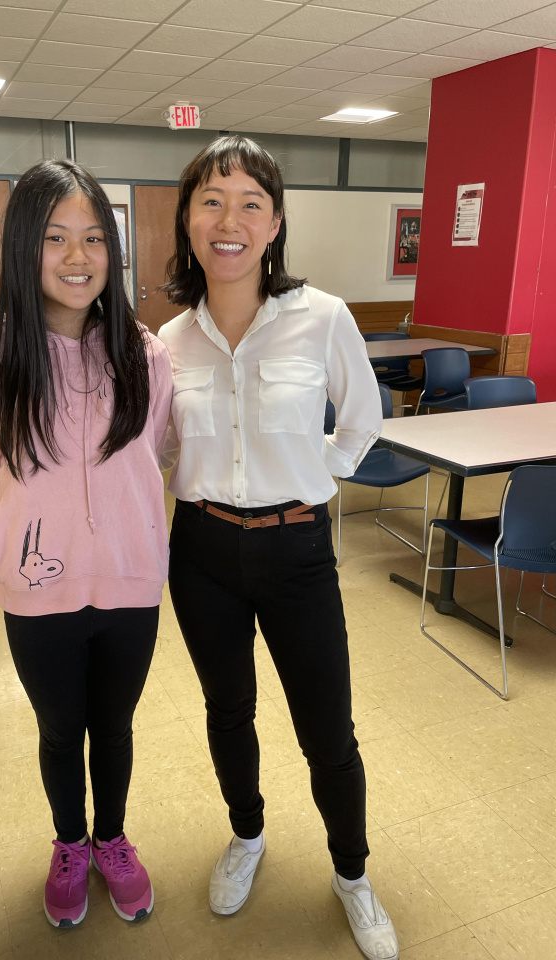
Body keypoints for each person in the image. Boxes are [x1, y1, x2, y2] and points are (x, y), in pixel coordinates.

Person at [158, 136, 398, 960]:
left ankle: (353, 874)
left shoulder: (321, 316)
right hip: (200, 553)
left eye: (250, 203)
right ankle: (248, 835)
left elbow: (362, 418)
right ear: (188, 221)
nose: (230, 220)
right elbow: (154, 449)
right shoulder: (167, 342)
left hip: (297, 553)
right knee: (229, 710)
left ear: (275, 221)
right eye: (211, 202)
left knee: (327, 728)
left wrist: (313, 477)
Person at [0, 159, 173, 929]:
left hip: (132, 585)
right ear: (23, 247)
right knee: (58, 728)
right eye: (54, 239)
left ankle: (111, 838)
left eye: (93, 239)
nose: (78, 258)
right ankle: (70, 842)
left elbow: (150, 464)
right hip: (37, 592)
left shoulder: (146, 356)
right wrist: (40, 543)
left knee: (113, 727)